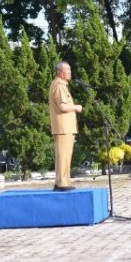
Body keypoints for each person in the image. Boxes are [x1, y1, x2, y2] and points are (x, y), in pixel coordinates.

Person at [49, 61, 82, 192]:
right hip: (63, 127)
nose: (69, 72)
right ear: (59, 72)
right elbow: (63, 106)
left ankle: (65, 180)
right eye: (66, 70)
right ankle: (61, 182)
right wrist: (77, 107)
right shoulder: (58, 85)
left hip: (66, 127)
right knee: (63, 155)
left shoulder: (62, 85)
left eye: (69, 69)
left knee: (66, 155)